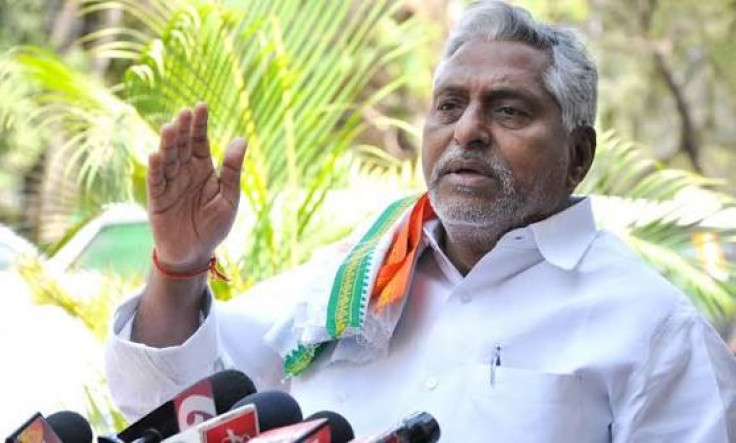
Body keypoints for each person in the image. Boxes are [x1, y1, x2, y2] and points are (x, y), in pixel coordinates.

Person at [106, 1, 736, 441]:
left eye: (509, 111)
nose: (468, 131)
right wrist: (180, 264)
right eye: (449, 106)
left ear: (578, 155)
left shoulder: (654, 328)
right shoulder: (350, 276)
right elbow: (170, 404)